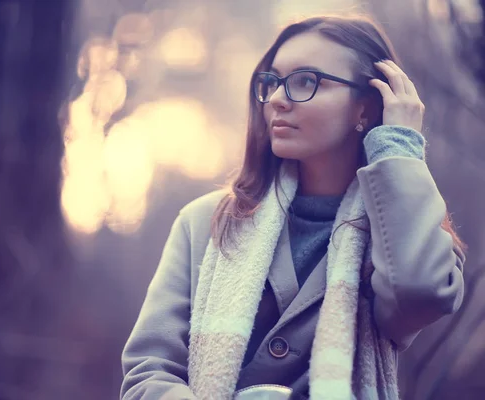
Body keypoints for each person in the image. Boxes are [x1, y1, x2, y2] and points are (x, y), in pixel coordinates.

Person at [120, 14, 466, 400]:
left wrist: (398, 148)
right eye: (272, 82)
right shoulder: (204, 223)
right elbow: (148, 373)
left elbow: (421, 295)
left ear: (365, 108)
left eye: (306, 81)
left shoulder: (399, 234)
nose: (279, 100)